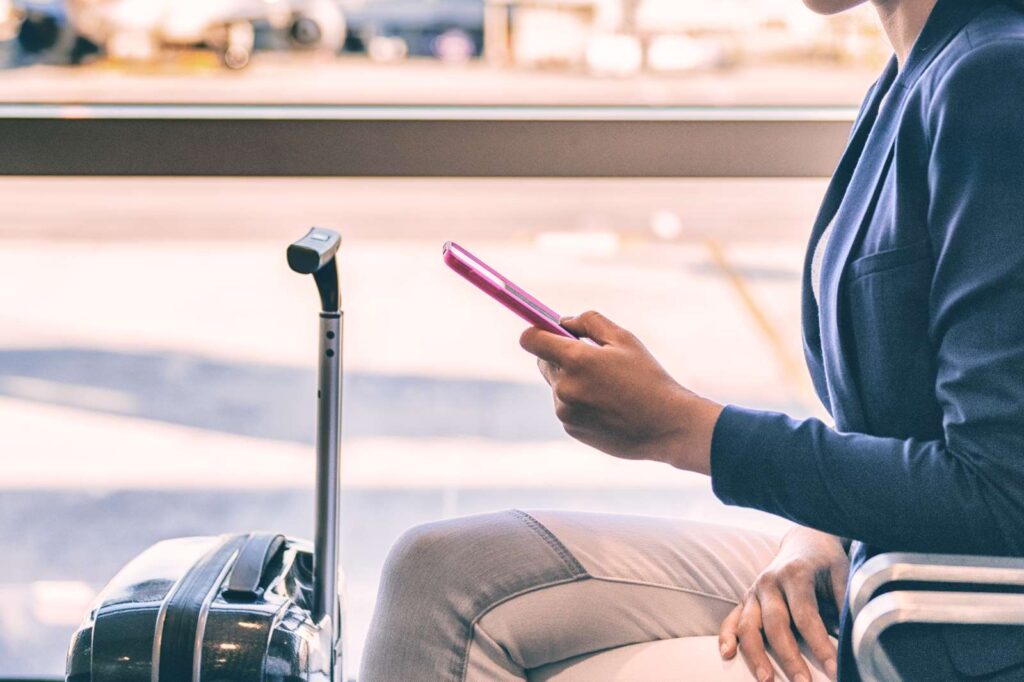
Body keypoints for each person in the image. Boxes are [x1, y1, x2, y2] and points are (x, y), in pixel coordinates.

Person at [360, 0, 1024, 679]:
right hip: (877, 565)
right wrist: (816, 532)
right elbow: (908, 422)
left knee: (470, 622)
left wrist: (685, 429)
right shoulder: (910, 73)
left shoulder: (994, 75)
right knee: (441, 571)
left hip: (939, 624)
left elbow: (1004, 491)